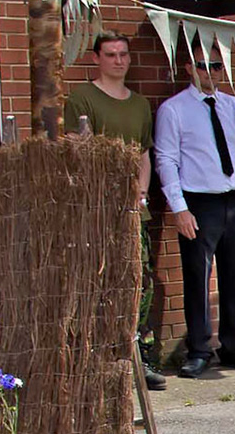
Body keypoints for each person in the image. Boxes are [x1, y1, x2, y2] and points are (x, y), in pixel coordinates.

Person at [154, 49, 235, 378]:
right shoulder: (174, 110)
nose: (212, 73)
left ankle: (234, 347)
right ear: (190, 67)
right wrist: (180, 208)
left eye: (218, 66)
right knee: (197, 277)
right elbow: (166, 160)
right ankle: (199, 349)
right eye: (205, 66)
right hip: (199, 202)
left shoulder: (233, 106)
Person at [65, 30, 164, 389]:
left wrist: (141, 191)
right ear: (97, 58)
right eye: (111, 55)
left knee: (140, 282)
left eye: (124, 54)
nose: (119, 61)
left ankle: (139, 357)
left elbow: (143, 154)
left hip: (134, 210)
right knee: (103, 282)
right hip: (99, 212)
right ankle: (103, 358)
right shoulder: (82, 99)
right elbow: (78, 153)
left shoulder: (138, 104)